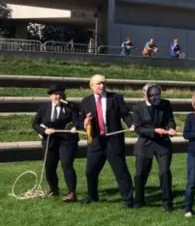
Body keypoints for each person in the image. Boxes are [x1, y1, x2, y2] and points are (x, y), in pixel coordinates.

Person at [79, 74, 136, 207]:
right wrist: (84, 122)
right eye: (99, 83)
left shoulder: (116, 98)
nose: (102, 86)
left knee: (120, 170)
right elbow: (80, 119)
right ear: (91, 85)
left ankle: (128, 200)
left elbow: (125, 114)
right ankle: (93, 196)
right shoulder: (85, 101)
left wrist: (131, 124)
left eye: (104, 83)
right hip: (96, 141)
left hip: (113, 139)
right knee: (90, 171)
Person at [31, 84, 82, 202]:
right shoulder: (44, 108)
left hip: (67, 140)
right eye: (55, 94)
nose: (58, 96)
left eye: (60, 94)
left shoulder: (71, 107)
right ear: (50, 96)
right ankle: (54, 190)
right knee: (49, 166)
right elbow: (35, 124)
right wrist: (44, 131)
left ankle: (71, 193)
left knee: (66, 164)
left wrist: (75, 126)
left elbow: (78, 120)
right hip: (51, 141)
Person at [131, 83, 177, 211]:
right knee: (140, 174)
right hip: (145, 144)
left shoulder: (166, 104)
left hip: (163, 144)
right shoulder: (137, 108)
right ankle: (139, 200)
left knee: (164, 172)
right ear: (145, 95)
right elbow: (138, 129)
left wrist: (171, 128)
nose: (155, 97)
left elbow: (170, 120)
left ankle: (167, 202)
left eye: (157, 94)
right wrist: (154, 131)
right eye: (152, 95)